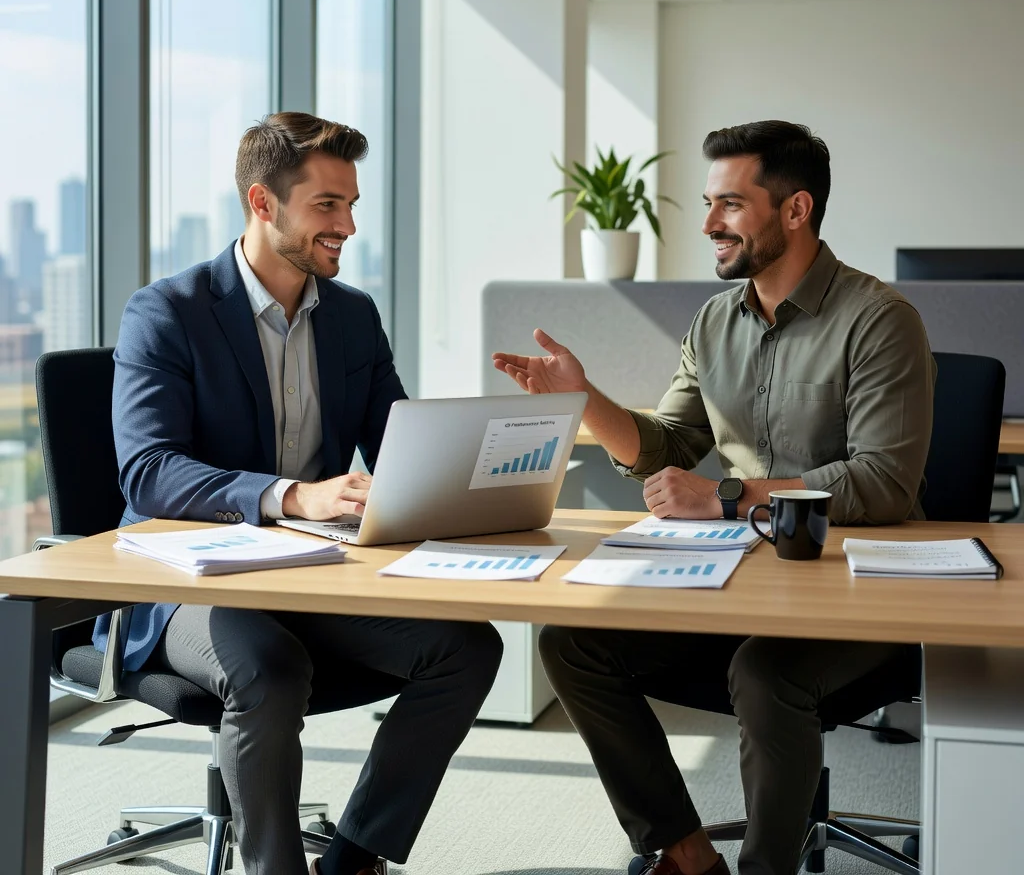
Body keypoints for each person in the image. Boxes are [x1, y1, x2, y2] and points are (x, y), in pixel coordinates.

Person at [492, 121, 935, 875]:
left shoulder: (878, 320)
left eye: (729, 204)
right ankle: (688, 854)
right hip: (737, 580)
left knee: (766, 673)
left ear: (795, 210)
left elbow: (883, 482)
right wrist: (584, 398)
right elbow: (667, 447)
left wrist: (728, 496)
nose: (707, 225)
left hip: (857, 594)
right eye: (708, 203)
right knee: (573, 643)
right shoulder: (714, 321)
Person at [94, 112, 503, 875]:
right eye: (327, 205)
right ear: (263, 202)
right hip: (186, 583)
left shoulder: (353, 317)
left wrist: (479, 476)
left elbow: (397, 451)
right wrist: (292, 496)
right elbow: (148, 471)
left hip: (313, 573)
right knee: (270, 670)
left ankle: (353, 860)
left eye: (351, 204)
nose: (347, 225)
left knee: (467, 647)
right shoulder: (168, 311)